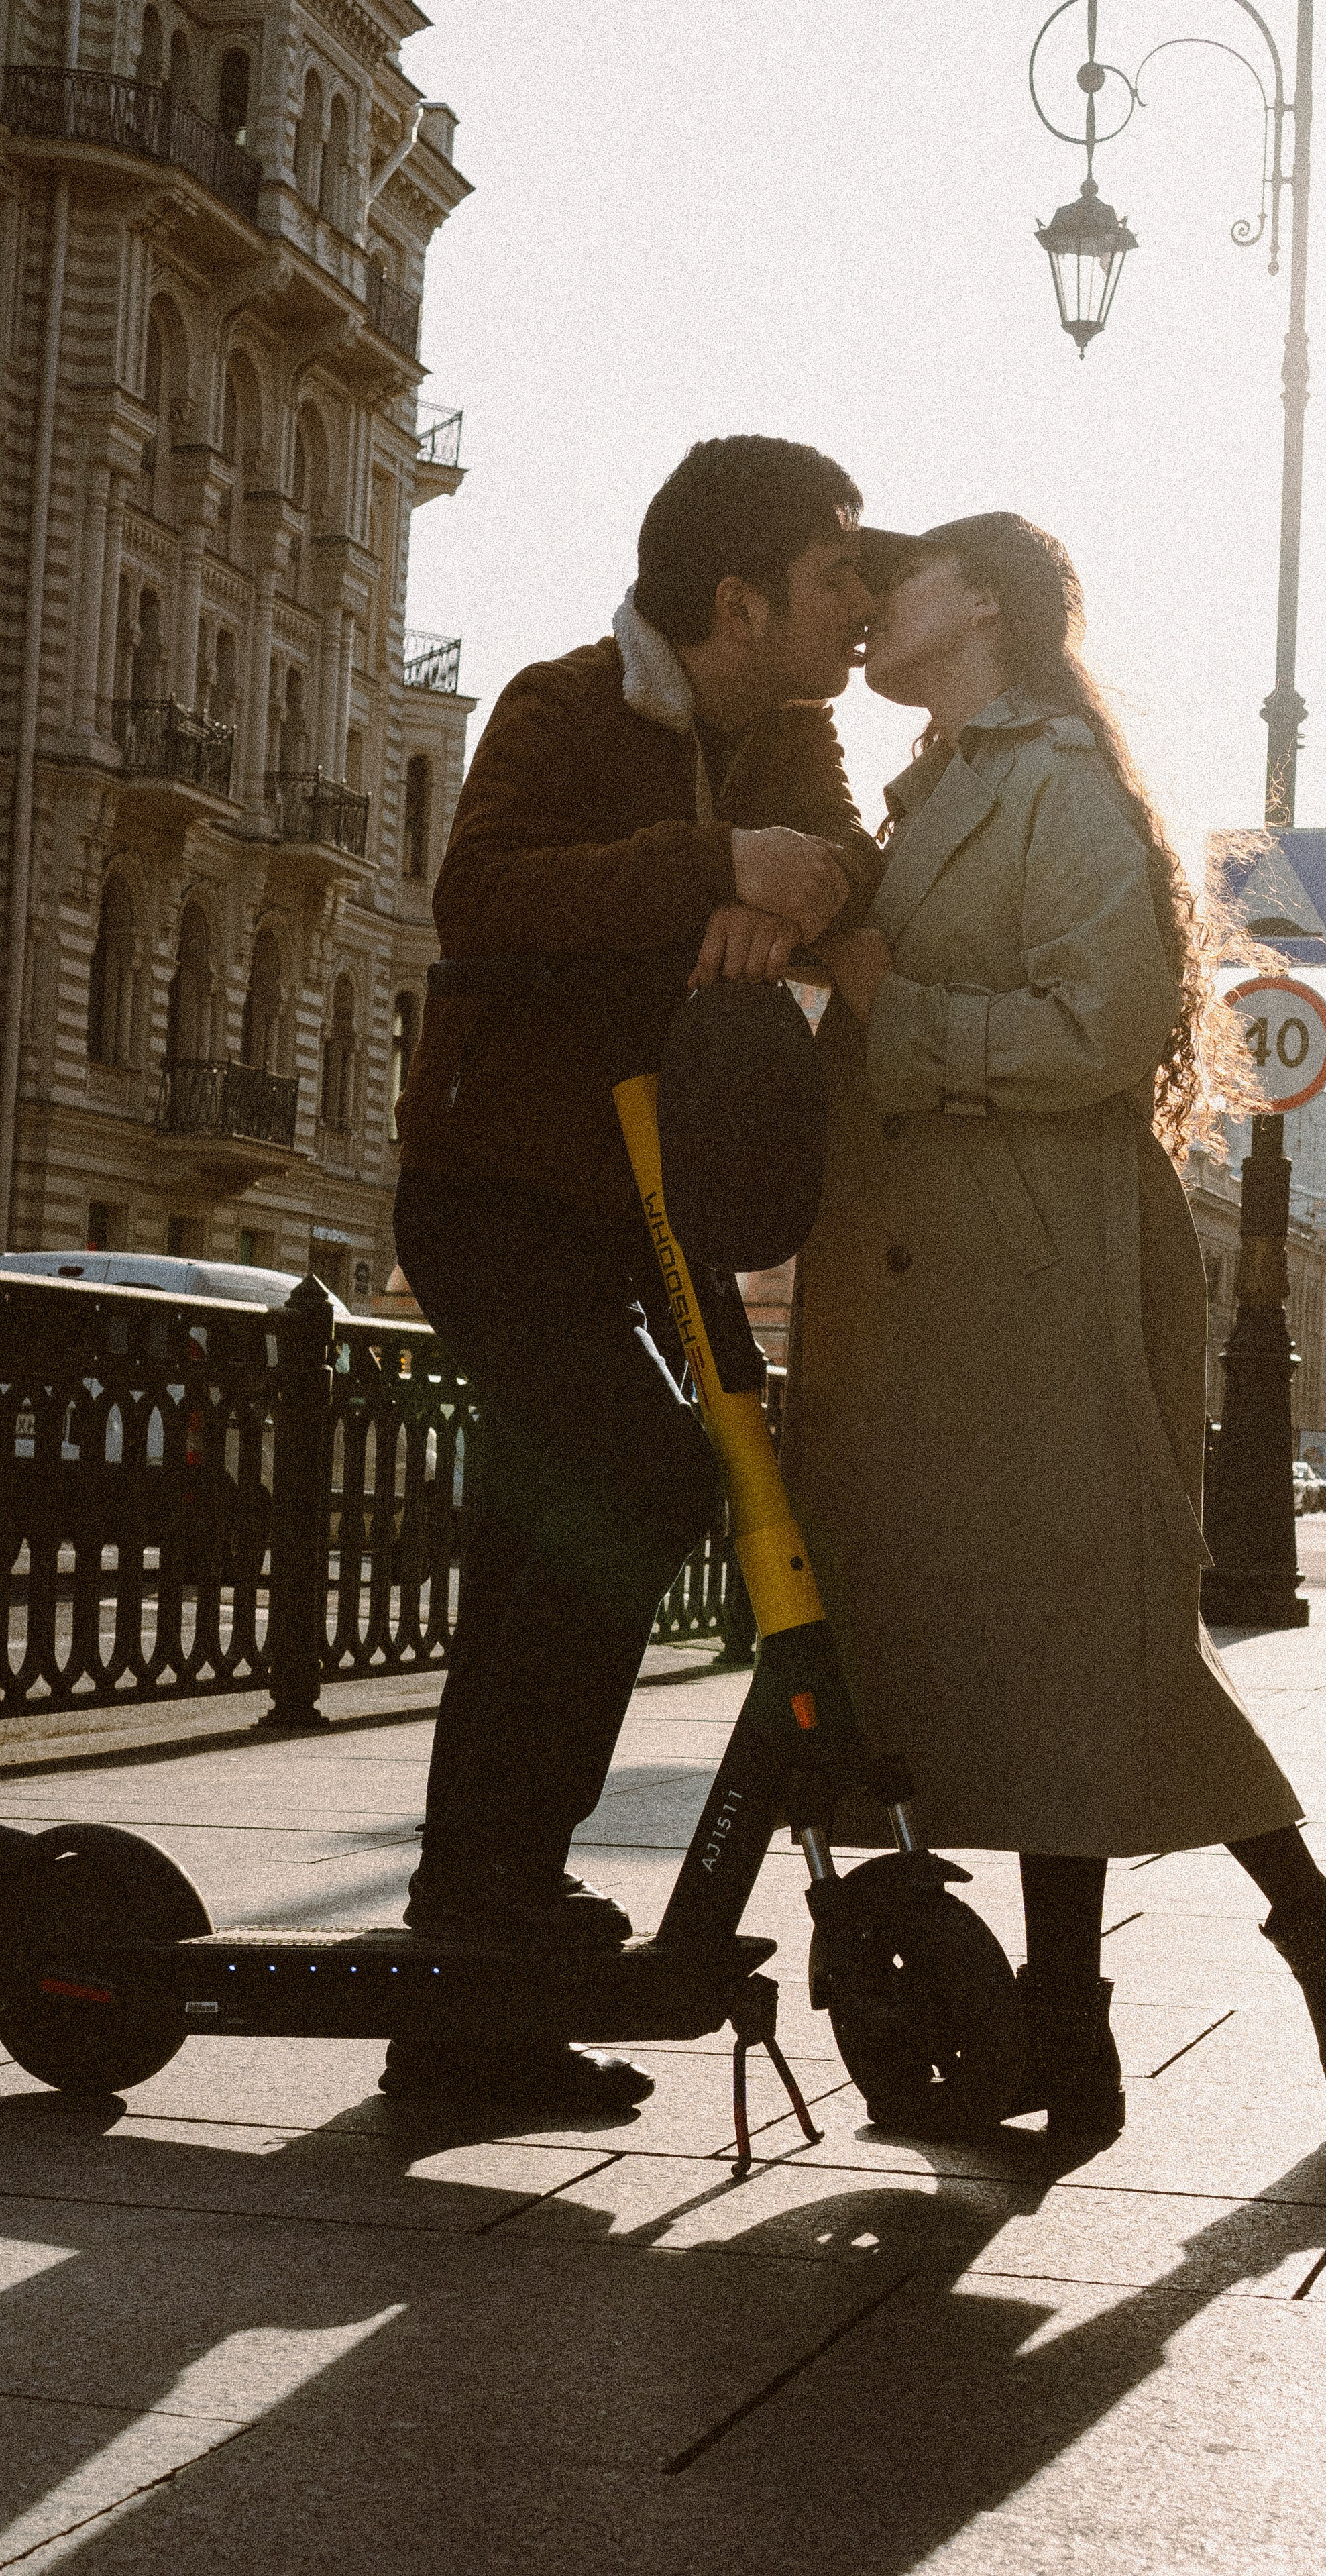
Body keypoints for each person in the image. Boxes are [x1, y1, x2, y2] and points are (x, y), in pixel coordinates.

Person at [788, 513, 1326, 2143]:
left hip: (1037, 1271)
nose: (865, 607)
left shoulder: (1050, 780)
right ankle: (1096, 2024)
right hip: (939, 1287)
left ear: (981, 599)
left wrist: (881, 1000)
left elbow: (1105, 1021)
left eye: (895, 579)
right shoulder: (933, 782)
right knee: (1011, 1667)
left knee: (1084, 1647)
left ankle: (1298, 1941)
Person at [387, 437, 886, 2110]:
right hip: (489, 1195)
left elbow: (842, 871)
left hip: (632, 1209)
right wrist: (714, 871)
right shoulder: (560, 703)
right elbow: (485, 889)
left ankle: (467, 2010)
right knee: (634, 1470)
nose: (863, 600)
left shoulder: (793, 735)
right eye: (837, 571)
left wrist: (779, 891)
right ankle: (493, 1896)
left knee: (533, 1540)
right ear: (737, 598)